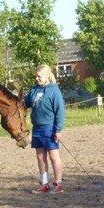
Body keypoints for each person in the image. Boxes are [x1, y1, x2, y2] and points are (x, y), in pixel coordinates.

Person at [23, 64, 65, 194]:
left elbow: (60, 111)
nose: (37, 78)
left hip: (49, 128)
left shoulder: (54, 90)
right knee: (40, 157)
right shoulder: (34, 90)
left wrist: (58, 130)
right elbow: (25, 102)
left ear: (47, 76)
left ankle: (58, 184)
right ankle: (45, 184)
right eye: (36, 76)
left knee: (53, 157)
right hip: (37, 129)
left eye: (39, 76)